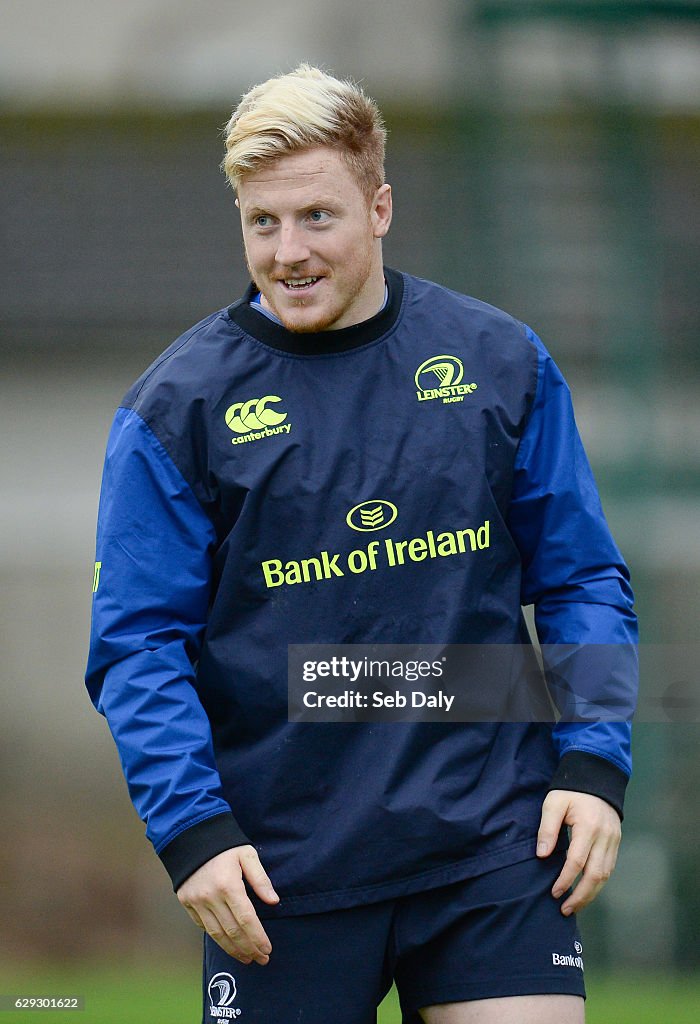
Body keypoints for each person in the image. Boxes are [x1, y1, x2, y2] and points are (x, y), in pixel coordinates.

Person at [86, 64, 637, 1024]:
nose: (288, 253)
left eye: (317, 218)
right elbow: (136, 646)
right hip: (276, 871)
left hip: (491, 844)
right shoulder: (177, 410)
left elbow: (584, 575)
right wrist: (193, 832)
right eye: (263, 222)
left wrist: (594, 764)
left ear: (380, 209)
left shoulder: (500, 362)